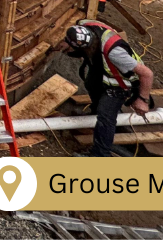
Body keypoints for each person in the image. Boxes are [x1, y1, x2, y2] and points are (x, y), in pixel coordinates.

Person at [57, 20, 155, 157]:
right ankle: (94, 116)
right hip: (104, 71)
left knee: (105, 116)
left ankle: (100, 154)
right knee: (90, 82)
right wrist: (66, 42)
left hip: (121, 84)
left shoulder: (115, 53)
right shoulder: (87, 25)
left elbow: (147, 74)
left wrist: (142, 100)